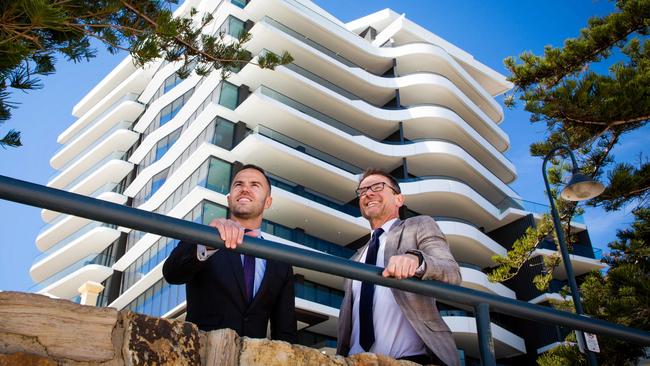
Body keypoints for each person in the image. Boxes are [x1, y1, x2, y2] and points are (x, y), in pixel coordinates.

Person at [337, 168, 462, 366]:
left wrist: (417, 260)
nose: (368, 193)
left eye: (377, 187)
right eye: (362, 191)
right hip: (354, 361)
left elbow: (451, 271)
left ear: (399, 199)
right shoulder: (355, 259)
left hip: (410, 359)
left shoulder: (419, 225)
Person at [163, 164, 297, 343]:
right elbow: (172, 273)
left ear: (268, 202)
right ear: (229, 199)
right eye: (238, 185)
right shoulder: (204, 236)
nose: (245, 190)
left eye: (255, 185)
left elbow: (285, 331)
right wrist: (209, 242)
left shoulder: (281, 262)